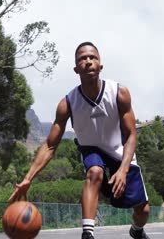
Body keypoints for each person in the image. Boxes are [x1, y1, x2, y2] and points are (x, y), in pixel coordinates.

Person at [8, 41, 150, 239]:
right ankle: (87, 233)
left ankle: (136, 230)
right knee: (94, 172)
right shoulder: (68, 103)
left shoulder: (119, 93)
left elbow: (132, 135)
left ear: (100, 65)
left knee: (143, 211)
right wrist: (27, 179)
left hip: (120, 151)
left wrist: (123, 169)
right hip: (91, 149)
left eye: (93, 57)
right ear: (76, 69)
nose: (88, 61)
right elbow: (50, 145)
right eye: (82, 59)